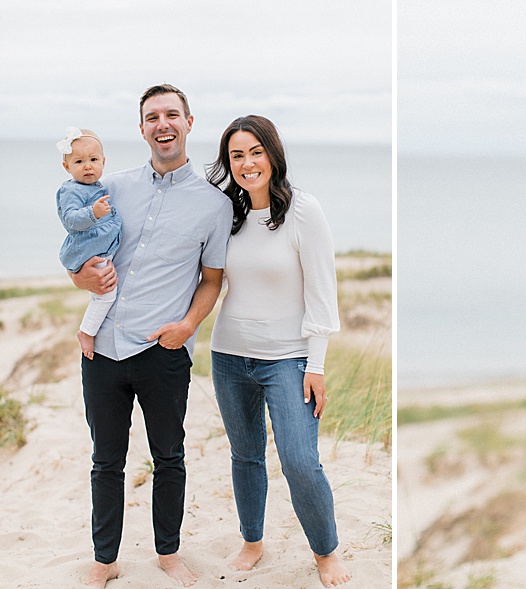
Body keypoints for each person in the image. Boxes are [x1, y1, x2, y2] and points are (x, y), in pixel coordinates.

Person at [70, 84, 233, 588]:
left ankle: (168, 553)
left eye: (172, 115)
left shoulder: (215, 205)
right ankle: (105, 560)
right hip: (103, 350)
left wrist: (188, 326)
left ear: (188, 122)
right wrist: (79, 278)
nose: (163, 124)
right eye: (152, 117)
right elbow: (78, 250)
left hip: (163, 351)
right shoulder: (110, 188)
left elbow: (212, 280)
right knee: (105, 462)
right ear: (141, 129)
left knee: (169, 458)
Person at [205, 114, 351, 588]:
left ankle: (325, 552)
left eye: (256, 152)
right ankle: (252, 542)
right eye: (236, 155)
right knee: (246, 456)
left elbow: (322, 293)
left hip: (289, 358)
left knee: (300, 461)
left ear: (273, 154)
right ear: (228, 163)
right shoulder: (226, 213)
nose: (247, 164)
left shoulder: (303, 210)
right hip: (229, 355)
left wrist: (316, 364)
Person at [54, 127, 122, 360]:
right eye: (79, 161)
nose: (87, 166)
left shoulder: (96, 186)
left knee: (100, 294)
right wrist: (93, 212)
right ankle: (86, 332)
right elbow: (70, 219)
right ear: (67, 167)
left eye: (93, 160)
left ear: (103, 161)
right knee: (106, 295)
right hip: (90, 251)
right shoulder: (70, 190)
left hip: (99, 248)